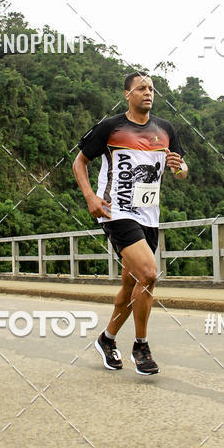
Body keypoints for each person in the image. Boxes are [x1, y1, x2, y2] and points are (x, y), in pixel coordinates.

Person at [72, 72, 187, 375]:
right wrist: (90, 198)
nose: (148, 93)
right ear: (127, 94)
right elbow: (79, 161)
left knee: (132, 283)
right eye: (141, 88)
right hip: (116, 212)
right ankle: (141, 345)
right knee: (149, 274)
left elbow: (180, 168)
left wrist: (180, 168)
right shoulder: (111, 127)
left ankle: (107, 339)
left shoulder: (166, 129)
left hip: (149, 216)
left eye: (151, 88)